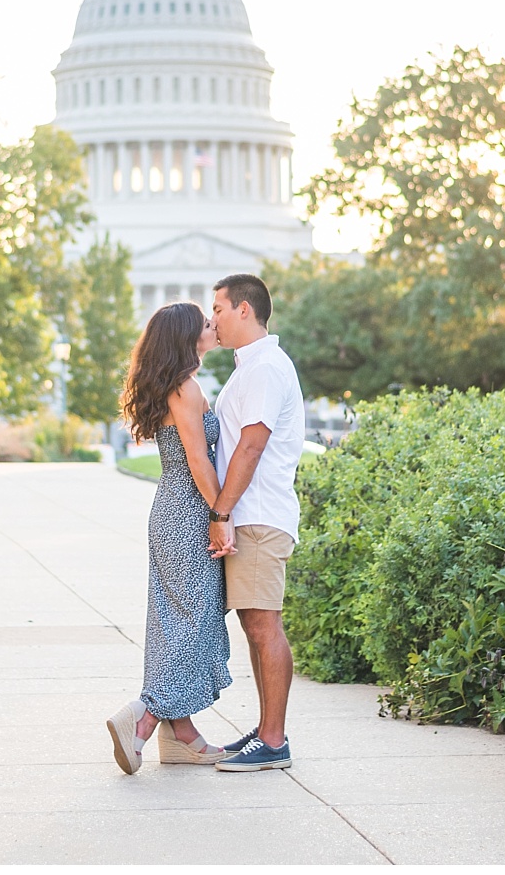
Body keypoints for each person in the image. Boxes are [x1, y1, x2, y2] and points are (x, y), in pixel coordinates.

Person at [105, 301, 232, 775]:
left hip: (171, 507)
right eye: (205, 323)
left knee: (175, 620)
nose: (212, 326)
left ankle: (183, 736)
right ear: (186, 336)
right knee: (194, 620)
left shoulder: (174, 385)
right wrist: (221, 513)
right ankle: (144, 718)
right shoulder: (186, 387)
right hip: (190, 511)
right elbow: (199, 460)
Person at [205, 272, 304, 772]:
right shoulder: (251, 368)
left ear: (244, 310)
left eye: (218, 309)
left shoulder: (265, 368)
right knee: (254, 623)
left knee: (264, 625)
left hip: (259, 515)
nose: (213, 319)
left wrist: (221, 512)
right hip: (251, 514)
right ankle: (266, 731)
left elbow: (252, 443)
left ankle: (274, 740)